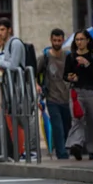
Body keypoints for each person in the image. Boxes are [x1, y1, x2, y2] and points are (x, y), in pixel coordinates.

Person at [0, 17, 37, 160]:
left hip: (20, 87)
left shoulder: (15, 43)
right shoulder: (6, 45)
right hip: (10, 87)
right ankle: (23, 151)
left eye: (3, 29)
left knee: (26, 118)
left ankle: (32, 151)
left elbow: (13, 66)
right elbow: (1, 67)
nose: (0, 33)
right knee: (17, 119)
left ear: (9, 30)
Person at [64, 29, 93, 160]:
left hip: (91, 91)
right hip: (76, 92)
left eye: (81, 39)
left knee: (92, 120)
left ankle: (92, 150)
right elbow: (65, 74)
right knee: (77, 119)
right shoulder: (71, 57)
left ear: (87, 41)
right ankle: (76, 145)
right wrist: (70, 77)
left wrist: (86, 64)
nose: (79, 42)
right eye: (77, 40)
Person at [35, 28, 71, 159]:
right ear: (51, 40)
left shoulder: (68, 56)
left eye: (59, 40)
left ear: (63, 40)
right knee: (57, 127)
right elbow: (34, 74)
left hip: (67, 98)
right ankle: (62, 154)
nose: (56, 42)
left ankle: (62, 148)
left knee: (67, 126)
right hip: (52, 98)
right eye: (54, 40)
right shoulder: (44, 58)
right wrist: (37, 85)